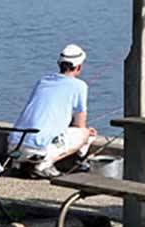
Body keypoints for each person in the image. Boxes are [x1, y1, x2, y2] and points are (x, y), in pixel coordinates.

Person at [8, 44, 96, 179]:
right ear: (79, 67)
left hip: (13, 147)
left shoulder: (43, 80)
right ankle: (44, 165)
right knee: (85, 134)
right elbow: (80, 124)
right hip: (37, 150)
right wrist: (87, 133)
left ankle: (19, 164)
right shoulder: (80, 86)